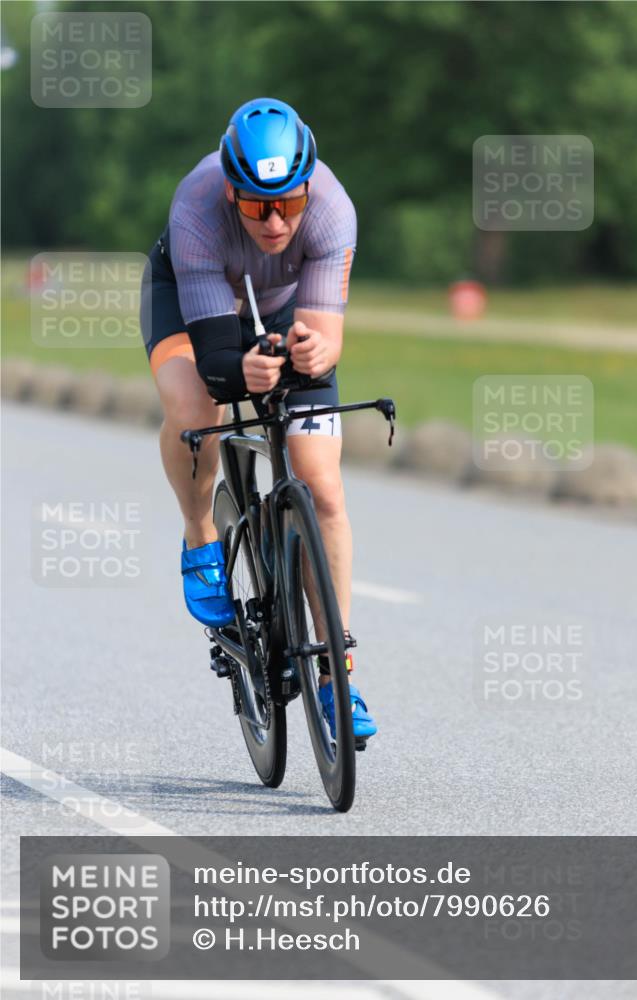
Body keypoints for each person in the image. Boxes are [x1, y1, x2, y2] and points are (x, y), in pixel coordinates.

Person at [140, 97, 376, 740]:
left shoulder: (333, 211)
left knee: (321, 483)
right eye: (255, 205)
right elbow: (218, 360)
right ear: (230, 189)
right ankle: (198, 533)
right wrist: (240, 370)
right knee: (195, 408)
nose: (275, 221)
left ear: (308, 186)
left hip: (284, 306)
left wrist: (313, 352)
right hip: (194, 300)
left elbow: (327, 339)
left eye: (289, 203)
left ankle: (336, 678)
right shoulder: (195, 208)